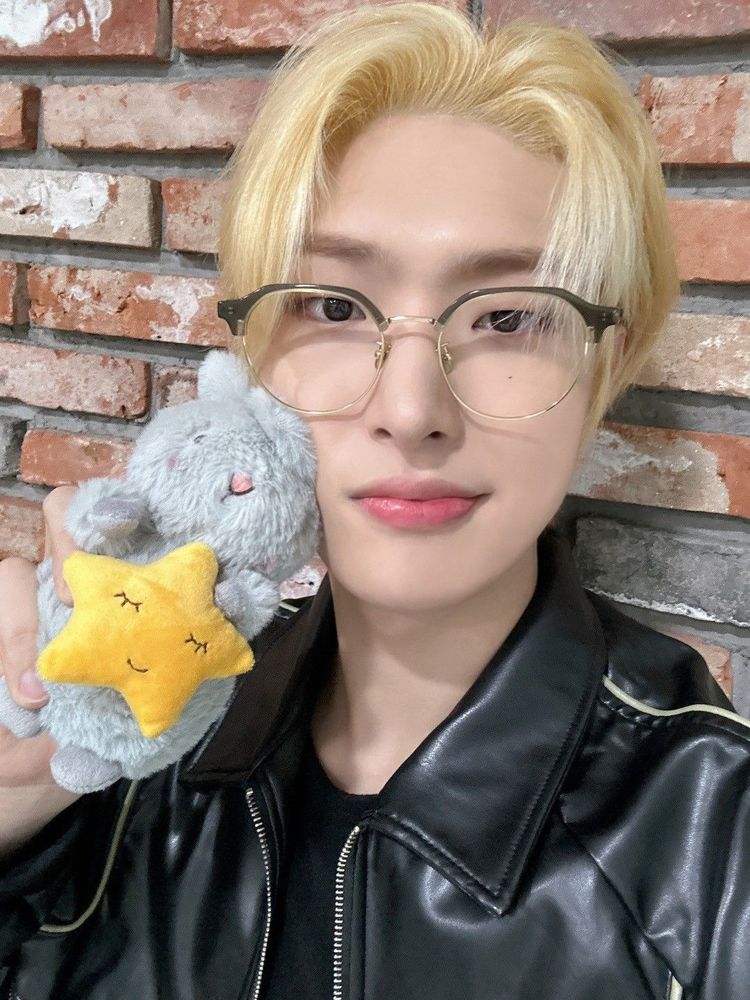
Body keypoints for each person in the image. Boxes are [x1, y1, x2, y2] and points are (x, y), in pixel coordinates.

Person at [0, 4, 748, 998]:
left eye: (509, 317)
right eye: (333, 306)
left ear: (603, 366)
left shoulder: (715, 849)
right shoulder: (135, 742)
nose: (410, 411)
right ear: (256, 363)